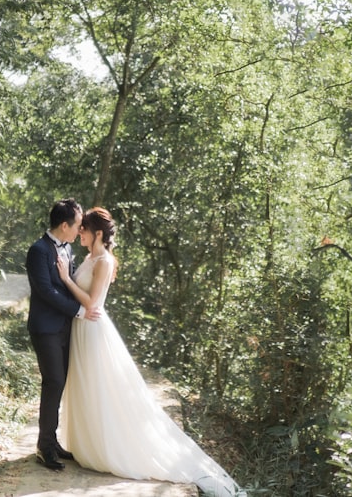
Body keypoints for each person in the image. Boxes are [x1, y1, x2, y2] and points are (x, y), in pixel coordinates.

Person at [56, 207, 240, 497]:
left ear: (98, 234)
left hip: (93, 329)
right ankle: (87, 443)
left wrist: (66, 280)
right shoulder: (90, 257)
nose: (80, 233)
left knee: (100, 387)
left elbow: (93, 304)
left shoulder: (104, 260)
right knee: (86, 386)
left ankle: (108, 447)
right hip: (81, 329)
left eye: (84, 229)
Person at [25, 198, 100, 471]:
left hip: (65, 328)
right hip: (45, 328)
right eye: (78, 225)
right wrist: (79, 310)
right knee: (53, 382)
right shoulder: (38, 250)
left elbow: (71, 284)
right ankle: (44, 446)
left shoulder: (68, 248)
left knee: (60, 383)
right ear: (64, 225)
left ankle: (51, 440)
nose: (81, 230)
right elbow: (46, 291)